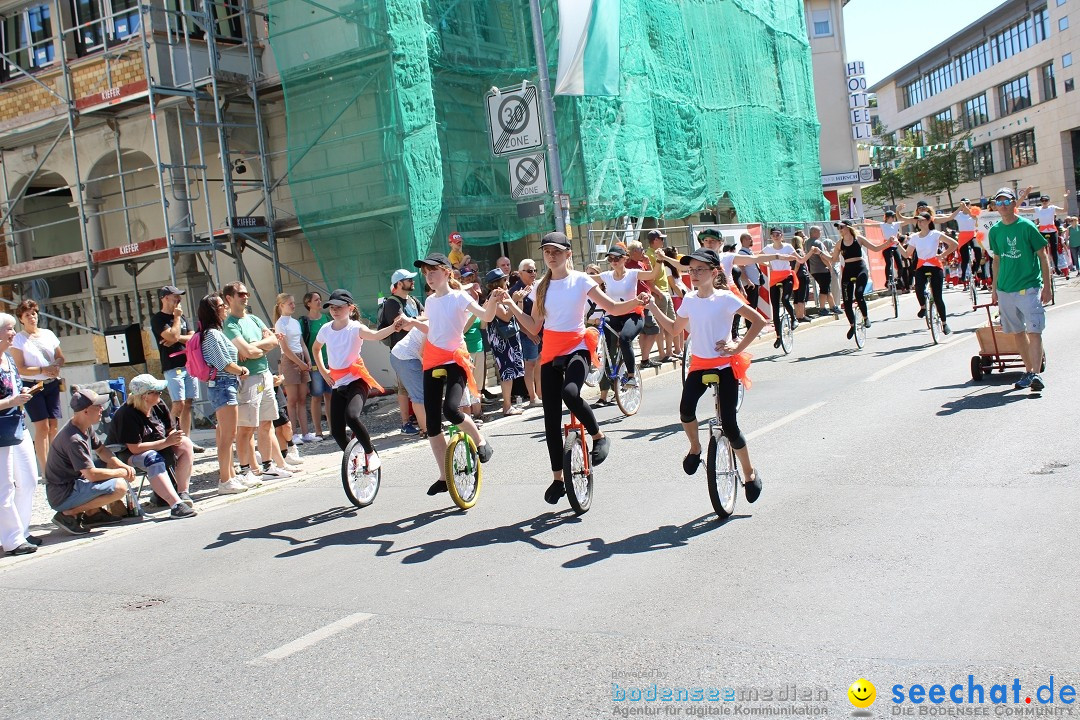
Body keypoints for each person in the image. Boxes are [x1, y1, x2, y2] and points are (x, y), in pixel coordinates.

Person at [502, 232, 649, 505]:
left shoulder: (581, 280)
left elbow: (613, 308)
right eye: (547, 251)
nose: (551, 255)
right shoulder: (541, 287)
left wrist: (637, 302)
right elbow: (534, 327)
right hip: (551, 352)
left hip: (578, 346)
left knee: (570, 393)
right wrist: (512, 305)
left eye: (557, 250)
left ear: (568, 253)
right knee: (550, 419)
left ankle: (599, 436)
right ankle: (558, 479)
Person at [647, 248, 764, 500]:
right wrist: (655, 308)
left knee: (730, 426)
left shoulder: (726, 298)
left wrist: (738, 346)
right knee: (686, 410)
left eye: (700, 270)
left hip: (724, 366)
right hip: (699, 365)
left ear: (714, 272)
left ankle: (749, 473)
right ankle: (695, 447)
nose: (694, 274)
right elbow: (674, 328)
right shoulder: (689, 299)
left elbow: (759, 321)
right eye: (691, 270)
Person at [401, 255, 499, 496]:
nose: (429, 276)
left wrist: (494, 300)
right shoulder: (430, 301)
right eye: (426, 273)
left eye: (432, 271)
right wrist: (412, 322)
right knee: (432, 424)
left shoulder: (459, 297)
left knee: (451, 410)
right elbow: (433, 329)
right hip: (433, 360)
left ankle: (480, 440)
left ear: (446, 272)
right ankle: (445, 476)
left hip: (455, 358)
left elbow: (486, 316)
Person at [312, 289, 402, 469]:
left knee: (351, 417)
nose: (335, 311)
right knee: (336, 431)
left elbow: (376, 335)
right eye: (331, 307)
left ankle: (370, 452)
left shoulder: (355, 328)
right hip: (338, 383)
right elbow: (315, 348)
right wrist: (323, 371)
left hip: (357, 380)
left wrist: (393, 327)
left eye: (339, 307)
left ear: (350, 308)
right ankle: (354, 457)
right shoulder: (325, 329)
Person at [221, 281, 293, 485]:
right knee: (246, 427)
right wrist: (256, 348)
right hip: (248, 378)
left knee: (266, 422)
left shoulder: (253, 319)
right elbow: (247, 352)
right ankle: (245, 470)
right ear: (229, 298)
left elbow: (273, 341)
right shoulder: (231, 324)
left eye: (246, 293)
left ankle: (269, 467)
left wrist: (253, 346)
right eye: (241, 294)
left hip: (264, 374)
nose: (245, 297)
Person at [45, 389, 135, 536]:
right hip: (63, 494)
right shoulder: (74, 439)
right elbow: (92, 475)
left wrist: (122, 465)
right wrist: (121, 473)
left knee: (110, 464)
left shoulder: (85, 426)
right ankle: (68, 514)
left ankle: (92, 514)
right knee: (119, 487)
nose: (102, 409)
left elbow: (101, 450)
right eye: (98, 406)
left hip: (75, 483)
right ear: (85, 411)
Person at [988, 187, 1052, 391]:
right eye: (999, 202)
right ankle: (1028, 371)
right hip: (1006, 289)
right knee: (1017, 331)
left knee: (1034, 330)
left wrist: (1047, 287)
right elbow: (996, 260)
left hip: (1029, 287)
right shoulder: (995, 230)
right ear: (995, 206)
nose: (1003, 205)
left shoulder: (1027, 227)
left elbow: (1043, 256)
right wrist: (994, 288)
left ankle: (1035, 374)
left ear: (1015, 203)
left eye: (1007, 201)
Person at [111, 374, 197, 519]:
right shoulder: (127, 414)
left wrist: (176, 437)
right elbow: (135, 448)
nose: (160, 394)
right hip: (128, 455)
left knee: (186, 444)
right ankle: (176, 505)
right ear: (145, 396)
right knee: (152, 458)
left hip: (158, 447)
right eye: (156, 392)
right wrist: (167, 442)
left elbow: (170, 430)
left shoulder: (158, 404)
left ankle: (182, 492)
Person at [197, 293, 251, 494]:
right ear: (214, 310)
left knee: (225, 434)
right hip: (223, 384)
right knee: (228, 436)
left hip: (224, 384)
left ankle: (230, 476)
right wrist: (242, 370)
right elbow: (224, 364)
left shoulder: (214, 332)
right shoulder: (212, 334)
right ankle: (225, 480)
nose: (225, 307)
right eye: (221, 305)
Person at [598, 245, 666, 389]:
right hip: (614, 315)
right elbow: (585, 279)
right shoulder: (606, 276)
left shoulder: (633, 273)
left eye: (616, 258)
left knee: (624, 338)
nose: (613, 261)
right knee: (601, 327)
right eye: (610, 259)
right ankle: (604, 369)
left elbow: (652, 275)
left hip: (633, 315)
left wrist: (659, 261)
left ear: (624, 259)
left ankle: (631, 376)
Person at [0, 313, 40, 555]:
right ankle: (12, 539)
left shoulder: (8, 358)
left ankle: (21, 531)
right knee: (4, 487)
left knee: (28, 480)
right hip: (1, 429)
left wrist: (22, 391)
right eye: (9, 329)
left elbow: (12, 387)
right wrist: (11, 400)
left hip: (17, 424)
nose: (14, 333)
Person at [149, 285, 206, 453]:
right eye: (175, 297)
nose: (179, 300)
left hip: (188, 364)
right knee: (178, 403)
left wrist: (177, 338)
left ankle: (186, 440)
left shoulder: (183, 317)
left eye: (179, 297)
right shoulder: (159, 319)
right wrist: (176, 321)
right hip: (172, 366)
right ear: (165, 298)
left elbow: (193, 339)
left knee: (188, 403)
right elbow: (172, 336)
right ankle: (170, 436)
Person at [11, 299, 64, 474]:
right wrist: (43, 369)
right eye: (27, 315)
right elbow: (20, 367)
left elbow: (60, 357)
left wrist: (55, 366)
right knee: (42, 426)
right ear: (21, 319)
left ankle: (55, 463)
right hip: (32, 385)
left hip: (51, 383)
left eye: (33, 313)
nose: (32, 317)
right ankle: (45, 468)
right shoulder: (18, 339)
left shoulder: (48, 334)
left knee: (54, 424)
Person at [818, 220, 895, 338]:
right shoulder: (839, 243)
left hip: (860, 268)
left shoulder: (859, 239)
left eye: (841, 227)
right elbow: (833, 259)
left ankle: (866, 317)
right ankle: (852, 325)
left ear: (848, 227)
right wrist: (820, 253)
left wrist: (889, 243)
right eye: (838, 228)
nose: (840, 230)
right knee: (847, 300)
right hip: (848, 269)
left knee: (858, 294)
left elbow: (875, 248)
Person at [377, 269, 424, 435]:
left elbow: (425, 316)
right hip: (401, 354)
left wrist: (413, 321)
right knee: (404, 389)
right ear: (398, 284)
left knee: (415, 388)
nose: (412, 281)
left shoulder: (412, 300)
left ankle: (417, 419)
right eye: (408, 279)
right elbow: (403, 324)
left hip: (417, 351)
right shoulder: (392, 303)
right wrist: (416, 321)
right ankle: (405, 423)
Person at [900, 212, 959, 334]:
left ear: (928, 221)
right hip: (922, 266)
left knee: (937, 297)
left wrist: (942, 255)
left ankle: (944, 323)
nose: (919, 223)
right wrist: (897, 244)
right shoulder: (915, 237)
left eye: (922, 220)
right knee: (918, 288)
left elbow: (954, 244)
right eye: (918, 221)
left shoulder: (935, 234)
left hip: (935, 266)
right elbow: (907, 254)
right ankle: (922, 307)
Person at [273, 293, 316, 446]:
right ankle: (294, 433)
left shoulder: (295, 322)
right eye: (289, 303)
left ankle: (305, 432)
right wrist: (299, 362)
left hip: (301, 358)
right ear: (281, 305)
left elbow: (301, 342)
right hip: (289, 360)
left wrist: (308, 359)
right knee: (292, 400)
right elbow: (285, 347)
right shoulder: (280, 323)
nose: (293, 305)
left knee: (303, 398)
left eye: (293, 303)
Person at [482, 268, 524, 416]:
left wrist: (517, 301)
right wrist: (514, 300)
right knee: (506, 373)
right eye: (504, 280)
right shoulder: (494, 298)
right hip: (502, 340)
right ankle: (506, 406)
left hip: (509, 337)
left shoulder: (503, 296)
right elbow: (505, 317)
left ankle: (508, 404)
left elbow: (518, 313)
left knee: (510, 373)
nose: (506, 282)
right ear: (498, 282)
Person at [765, 228, 807, 348]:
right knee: (775, 308)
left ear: (781, 236)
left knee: (785, 299)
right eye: (773, 235)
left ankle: (794, 318)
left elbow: (799, 259)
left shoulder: (788, 247)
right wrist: (768, 264)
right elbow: (759, 258)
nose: (776, 236)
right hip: (774, 277)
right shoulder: (768, 248)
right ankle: (778, 336)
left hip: (786, 276)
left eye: (778, 234)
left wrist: (794, 258)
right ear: (771, 237)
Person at [300, 290, 332, 439]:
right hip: (314, 363)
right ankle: (318, 431)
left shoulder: (326, 318)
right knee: (316, 396)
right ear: (308, 303)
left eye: (320, 299)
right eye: (316, 300)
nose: (320, 302)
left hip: (330, 361)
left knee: (330, 395)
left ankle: (333, 428)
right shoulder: (304, 322)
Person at [509, 258, 542, 406]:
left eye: (535, 270)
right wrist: (529, 333)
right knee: (530, 364)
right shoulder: (515, 291)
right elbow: (514, 316)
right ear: (521, 272)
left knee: (540, 362)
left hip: (540, 331)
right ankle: (532, 397)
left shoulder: (537, 286)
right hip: (526, 333)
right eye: (529, 271)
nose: (533, 273)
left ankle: (540, 393)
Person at [645, 229, 676, 363]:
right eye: (661, 239)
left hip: (665, 292)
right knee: (661, 325)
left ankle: (670, 351)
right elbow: (649, 279)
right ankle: (662, 354)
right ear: (655, 240)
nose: (663, 241)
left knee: (671, 323)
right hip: (659, 294)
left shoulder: (658, 254)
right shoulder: (649, 256)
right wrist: (659, 293)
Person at [804, 225, 841, 315]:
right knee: (824, 290)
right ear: (814, 233)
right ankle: (822, 308)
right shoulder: (818, 243)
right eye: (819, 231)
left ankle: (833, 306)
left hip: (814, 270)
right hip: (822, 270)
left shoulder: (807, 243)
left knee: (827, 289)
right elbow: (823, 257)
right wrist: (829, 266)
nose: (820, 232)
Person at [1034, 194, 1066, 275]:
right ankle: (1042, 267)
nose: (1044, 202)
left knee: (1054, 249)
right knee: (1041, 249)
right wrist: (1014, 205)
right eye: (1042, 200)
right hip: (1042, 230)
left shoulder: (1052, 208)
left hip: (1052, 230)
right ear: (1041, 201)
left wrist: (1065, 198)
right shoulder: (1038, 209)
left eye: (1046, 200)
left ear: (1049, 201)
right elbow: (1022, 210)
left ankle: (1056, 267)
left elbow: (1064, 210)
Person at [790, 231, 812, 323]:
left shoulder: (791, 252)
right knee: (801, 296)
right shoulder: (799, 251)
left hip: (795, 276)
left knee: (796, 296)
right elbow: (798, 264)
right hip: (801, 276)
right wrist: (794, 273)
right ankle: (801, 315)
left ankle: (798, 314)